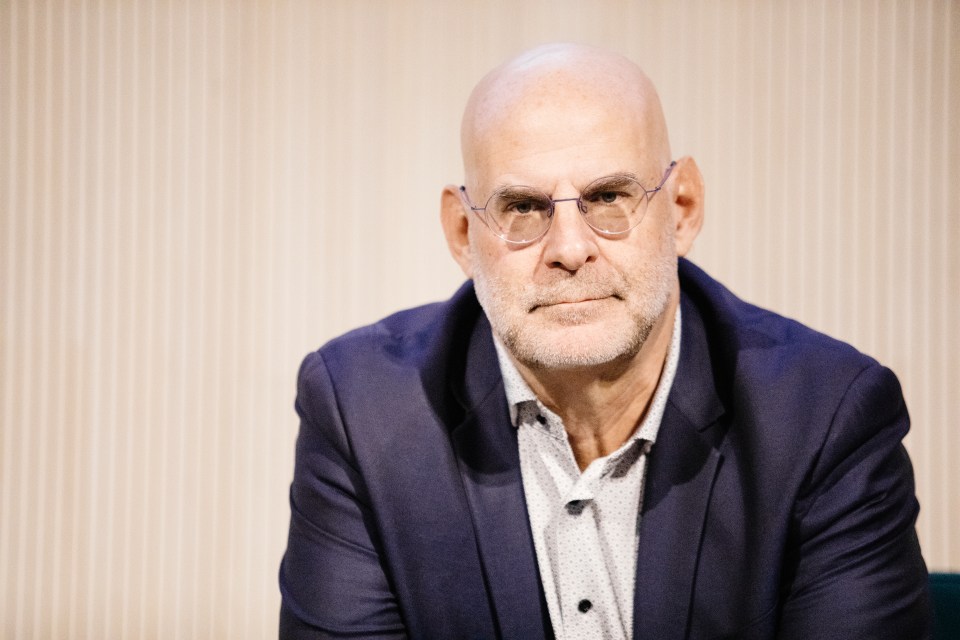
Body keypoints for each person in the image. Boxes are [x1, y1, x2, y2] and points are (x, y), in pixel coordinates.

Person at [279, 43, 931, 639]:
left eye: (609, 196)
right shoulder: (363, 416)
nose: (569, 249)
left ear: (682, 210)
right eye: (523, 208)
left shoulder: (826, 420)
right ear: (461, 235)